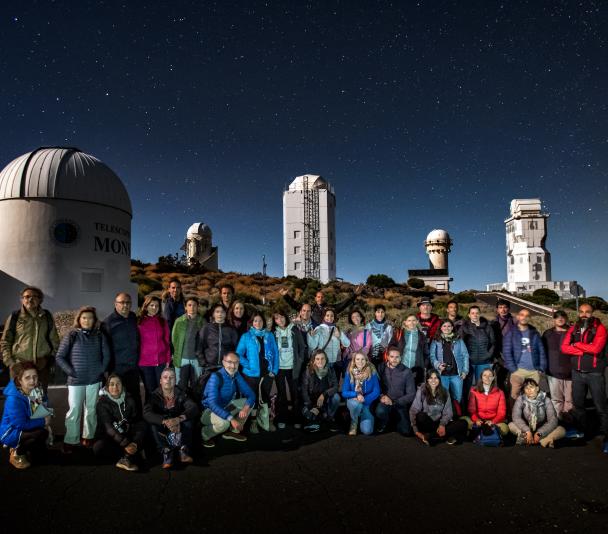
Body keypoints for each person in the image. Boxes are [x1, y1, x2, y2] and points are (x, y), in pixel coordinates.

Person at [56, 306, 110, 452]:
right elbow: (60, 356)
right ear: (79, 319)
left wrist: (101, 370)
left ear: (94, 320)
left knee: (91, 410)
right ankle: (70, 440)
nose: (87, 320)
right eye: (84, 318)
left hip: (94, 379)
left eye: (90, 318)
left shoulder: (99, 335)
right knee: (74, 410)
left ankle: (88, 437)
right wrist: (71, 371)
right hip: (76, 380)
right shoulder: (71, 335)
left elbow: (107, 355)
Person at [561, 303, 608, 452]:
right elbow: (564, 347)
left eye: (587, 312)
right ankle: (581, 431)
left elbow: (596, 348)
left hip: (594, 373)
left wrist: (578, 344)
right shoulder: (574, 327)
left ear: (592, 313)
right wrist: (582, 352)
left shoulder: (600, 328)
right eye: (581, 312)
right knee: (579, 405)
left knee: (601, 407)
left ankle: (606, 436)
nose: (584, 314)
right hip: (577, 372)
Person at [1, 286, 60, 389]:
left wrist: (48, 360)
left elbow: (55, 341)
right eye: (27, 297)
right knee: (18, 399)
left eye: (34, 297)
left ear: (40, 300)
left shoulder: (47, 316)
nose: (30, 299)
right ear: (22, 300)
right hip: (19, 366)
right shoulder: (15, 316)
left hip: (40, 367)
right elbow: (5, 341)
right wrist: (11, 363)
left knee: (38, 400)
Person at [143, 367, 198, 468]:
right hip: (163, 429)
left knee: (189, 420)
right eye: (165, 377)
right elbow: (146, 413)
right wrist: (164, 421)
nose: (168, 380)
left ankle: (184, 450)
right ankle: (166, 452)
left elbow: (193, 407)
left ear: (175, 380)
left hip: (179, 426)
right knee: (152, 424)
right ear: (161, 380)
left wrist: (178, 419)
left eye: (171, 377)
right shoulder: (154, 396)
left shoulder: (182, 393)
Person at [0, 362, 51, 469]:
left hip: (27, 424)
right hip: (11, 431)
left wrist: (44, 410)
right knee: (40, 433)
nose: (32, 381)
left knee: (41, 452)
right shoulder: (13, 399)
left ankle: (29, 449)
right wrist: (43, 421)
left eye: (35, 376)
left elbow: (42, 411)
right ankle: (16, 452)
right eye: (27, 378)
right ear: (19, 380)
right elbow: (20, 424)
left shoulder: (36, 390)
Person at [200, 352, 256, 447]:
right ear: (223, 362)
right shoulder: (215, 377)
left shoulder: (236, 375)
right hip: (208, 412)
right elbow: (212, 404)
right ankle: (204, 434)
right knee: (224, 423)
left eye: (236, 362)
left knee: (248, 403)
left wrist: (246, 408)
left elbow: (251, 395)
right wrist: (232, 419)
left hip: (225, 407)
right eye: (229, 362)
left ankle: (233, 431)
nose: (233, 366)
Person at [236, 312, 279, 433]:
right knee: (252, 398)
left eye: (260, 321)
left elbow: (276, 353)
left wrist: (274, 371)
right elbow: (238, 354)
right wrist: (248, 365)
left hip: (267, 373)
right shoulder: (246, 336)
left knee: (266, 398)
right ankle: (253, 423)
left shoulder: (269, 335)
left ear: (263, 322)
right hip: (251, 375)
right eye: (255, 321)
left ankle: (266, 421)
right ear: (251, 323)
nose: (258, 323)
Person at [94, 373, 145, 471]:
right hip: (110, 437)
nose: (115, 387)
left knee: (143, 425)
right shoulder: (102, 403)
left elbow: (135, 421)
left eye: (118, 384)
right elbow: (109, 428)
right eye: (112, 384)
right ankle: (129, 455)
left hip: (125, 434)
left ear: (122, 386)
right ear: (107, 387)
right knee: (98, 447)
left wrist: (134, 442)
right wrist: (126, 444)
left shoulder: (130, 400)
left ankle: (128, 455)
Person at [102, 292, 141, 410]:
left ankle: (137, 422)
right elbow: (104, 348)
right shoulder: (107, 323)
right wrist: (106, 369)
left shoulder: (133, 317)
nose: (125, 305)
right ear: (115, 304)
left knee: (135, 396)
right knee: (117, 397)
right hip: (117, 368)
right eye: (122, 302)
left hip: (133, 366)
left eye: (128, 302)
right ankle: (119, 424)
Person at [410, 369, 467, 446]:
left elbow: (448, 412)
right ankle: (446, 436)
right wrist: (416, 431)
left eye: (436, 378)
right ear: (427, 379)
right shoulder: (422, 391)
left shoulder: (445, 392)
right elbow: (413, 410)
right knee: (420, 416)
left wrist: (442, 425)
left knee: (464, 423)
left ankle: (432, 437)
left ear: (439, 380)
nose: (433, 380)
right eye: (431, 378)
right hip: (427, 423)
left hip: (439, 422)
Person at [503, 308, 546, 403]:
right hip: (518, 370)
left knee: (533, 396)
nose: (524, 317)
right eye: (522, 315)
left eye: (527, 315)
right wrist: (513, 368)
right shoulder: (511, 332)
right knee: (515, 395)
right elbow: (507, 351)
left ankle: (531, 416)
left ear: (529, 318)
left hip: (534, 371)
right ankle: (514, 416)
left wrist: (541, 368)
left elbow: (541, 350)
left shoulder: (534, 332)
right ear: (518, 317)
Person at [271, 310, 306, 428]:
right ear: (274, 320)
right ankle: (283, 418)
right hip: (279, 367)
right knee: (281, 394)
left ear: (285, 317)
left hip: (293, 367)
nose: (280, 320)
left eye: (281, 317)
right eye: (276, 318)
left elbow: (302, 347)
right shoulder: (273, 332)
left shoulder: (294, 329)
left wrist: (300, 361)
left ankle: (296, 418)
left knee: (295, 393)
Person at [509, 378, 566, 448]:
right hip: (525, 430)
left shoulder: (546, 400)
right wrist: (527, 431)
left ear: (537, 388)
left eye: (531, 387)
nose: (529, 390)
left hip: (542, 430)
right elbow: (516, 417)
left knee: (561, 430)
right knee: (511, 425)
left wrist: (540, 433)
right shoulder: (521, 399)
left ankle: (543, 440)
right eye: (526, 388)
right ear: (524, 390)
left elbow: (553, 420)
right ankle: (525, 437)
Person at [460, 305, 495, 407]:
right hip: (470, 362)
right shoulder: (465, 327)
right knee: (469, 387)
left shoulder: (487, 327)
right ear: (469, 315)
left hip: (484, 362)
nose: (475, 315)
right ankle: (469, 409)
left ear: (480, 314)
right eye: (472, 313)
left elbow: (493, 342)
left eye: (477, 313)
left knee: (484, 386)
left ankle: (483, 408)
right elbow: (459, 343)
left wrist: (489, 354)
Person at [375, 347, 416, 435]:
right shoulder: (381, 368)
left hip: (399, 403)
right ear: (387, 357)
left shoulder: (406, 371)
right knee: (380, 411)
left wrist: (394, 402)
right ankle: (384, 422)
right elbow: (376, 386)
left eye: (397, 357)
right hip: (385, 401)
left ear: (400, 357)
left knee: (405, 431)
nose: (394, 359)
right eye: (392, 357)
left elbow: (411, 394)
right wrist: (381, 396)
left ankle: (394, 420)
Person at [137, 295, 171, 401]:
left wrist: (168, 359)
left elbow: (167, 341)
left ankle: (161, 412)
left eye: (157, 306)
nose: (154, 308)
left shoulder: (162, 321)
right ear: (146, 306)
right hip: (145, 363)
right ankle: (149, 414)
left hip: (160, 362)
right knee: (149, 390)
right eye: (151, 305)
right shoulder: (139, 322)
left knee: (161, 389)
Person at [430, 319, 469, 409]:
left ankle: (456, 414)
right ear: (441, 328)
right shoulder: (436, 340)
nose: (446, 328)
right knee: (443, 397)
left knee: (457, 397)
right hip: (442, 374)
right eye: (444, 326)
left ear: (452, 328)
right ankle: (445, 416)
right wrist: (438, 365)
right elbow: (432, 356)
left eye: (449, 326)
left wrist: (465, 371)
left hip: (457, 374)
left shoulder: (458, 339)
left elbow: (465, 355)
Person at [542, 310, 573, 420]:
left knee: (570, 399)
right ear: (553, 319)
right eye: (557, 317)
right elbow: (542, 351)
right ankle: (559, 421)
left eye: (562, 317)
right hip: (553, 371)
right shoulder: (547, 334)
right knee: (556, 399)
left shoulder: (573, 332)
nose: (560, 319)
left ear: (566, 318)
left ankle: (569, 421)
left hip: (571, 371)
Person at [281, 286, 362, 327]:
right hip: (313, 334)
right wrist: (286, 296)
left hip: (327, 334)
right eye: (318, 297)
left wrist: (355, 295)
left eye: (322, 297)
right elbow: (296, 305)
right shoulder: (310, 308)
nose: (320, 298)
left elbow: (343, 304)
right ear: (315, 298)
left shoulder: (330, 308)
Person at [301, 349, 341, 432]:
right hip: (312, 401)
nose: (320, 361)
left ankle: (330, 417)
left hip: (326, 400)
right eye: (317, 359)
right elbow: (304, 391)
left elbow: (336, 386)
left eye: (323, 358)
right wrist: (310, 406)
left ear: (326, 359)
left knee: (336, 397)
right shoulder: (308, 371)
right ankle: (319, 417)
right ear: (314, 360)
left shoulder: (330, 370)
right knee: (309, 415)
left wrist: (324, 394)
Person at [342, 351, 380, 436]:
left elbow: (377, 391)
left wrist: (365, 400)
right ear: (354, 361)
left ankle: (362, 414)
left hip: (366, 403)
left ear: (366, 360)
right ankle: (354, 421)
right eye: (357, 359)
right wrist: (356, 395)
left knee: (367, 431)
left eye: (363, 359)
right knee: (356, 404)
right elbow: (344, 392)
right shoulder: (349, 372)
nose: (360, 361)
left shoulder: (372, 372)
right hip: (353, 401)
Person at [172, 296, 205, 392]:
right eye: (189, 305)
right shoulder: (179, 321)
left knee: (197, 385)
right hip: (182, 359)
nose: (192, 307)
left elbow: (205, 341)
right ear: (185, 307)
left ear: (198, 307)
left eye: (194, 305)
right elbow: (174, 339)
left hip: (197, 360)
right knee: (181, 386)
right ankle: (182, 406)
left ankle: (195, 405)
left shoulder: (202, 321)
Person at [465, 368, 509, 439]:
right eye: (484, 375)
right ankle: (484, 433)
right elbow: (471, 410)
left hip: (493, 421)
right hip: (478, 420)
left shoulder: (500, 392)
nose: (487, 378)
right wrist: (476, 420)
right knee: (464, 421)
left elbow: (502, 412)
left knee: (505, 429)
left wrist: (493, 421)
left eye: (490, 375)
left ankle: (481, 434)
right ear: (481, 377)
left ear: (493, 378)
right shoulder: (474, 390)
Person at [308, 308, 350, 379]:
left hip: (337, 361)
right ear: (324, 317)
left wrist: (340, 336)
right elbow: (313, 346)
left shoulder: (337, 329)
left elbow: (347, 344)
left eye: (332, 316)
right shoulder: (319, 329)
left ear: (334, 317)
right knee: (325, 384)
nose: (329, 318)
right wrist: (311, 336)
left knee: (335, 383)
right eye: (327, 315)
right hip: (324, 362)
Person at [197, 304, 239, 372]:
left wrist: (232, 362)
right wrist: (203, 363)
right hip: (210, 366)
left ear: (225, 314)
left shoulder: (231, 329)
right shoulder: (206, 328)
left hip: (227, 366)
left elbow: (236, 348)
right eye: (217, 312)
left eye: (222, 312)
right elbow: (199, 347)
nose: (220, 314)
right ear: (213, 314)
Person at [389, 314, 429, 385]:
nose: (411, 323)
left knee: (415, 389)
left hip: (417, 367)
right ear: (405, 322)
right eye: (409, 320)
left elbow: (426, 353)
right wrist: (393, 359)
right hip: (401, 366)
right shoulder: (399, 333)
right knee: (400, 387)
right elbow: (391, 346)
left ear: (417, 322)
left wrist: (425, 366)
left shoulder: (422, 335)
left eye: (414, 320)